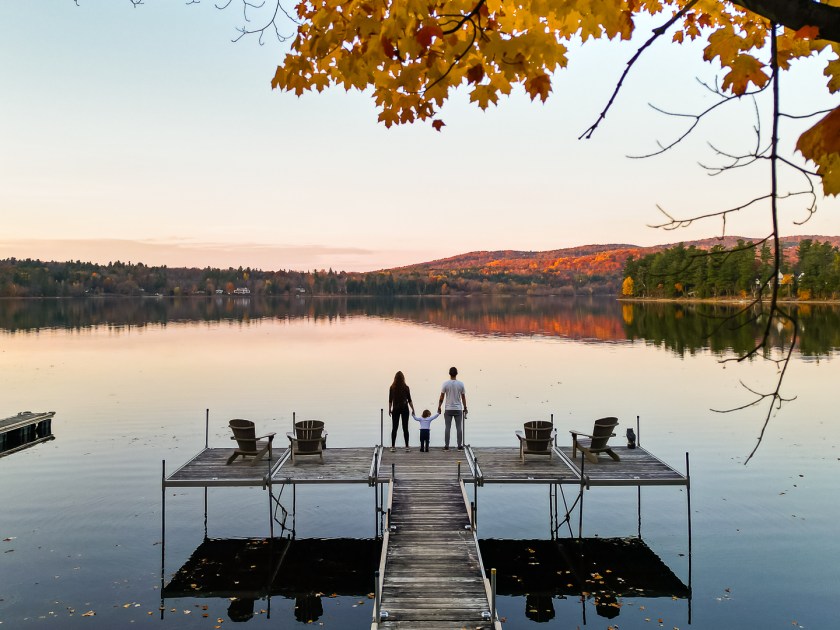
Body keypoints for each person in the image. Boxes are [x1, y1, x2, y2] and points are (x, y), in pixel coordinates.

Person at [438, 366, 467, 451]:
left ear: (449, 374)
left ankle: (447, 446)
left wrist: (439, 406)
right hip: (458, 408)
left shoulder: (445, 384)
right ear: (456, 373)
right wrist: (465, 407)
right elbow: (463, 397)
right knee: (459, 427)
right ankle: (459, 446)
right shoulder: (461, 384)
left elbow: (442, 397)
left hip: (448, 409)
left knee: (447, 427)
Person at [388, 370, 415, 452]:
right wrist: (413, 409)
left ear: (395, 378)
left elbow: (390, 400)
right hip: (404, 409)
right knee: (405, 428)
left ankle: (393, 446)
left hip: (395, 409)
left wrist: (389, 409)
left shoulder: (392, 388)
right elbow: (409, 400)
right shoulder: (406, 388)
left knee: (394, 428)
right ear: (403, 378)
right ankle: (407, 446)